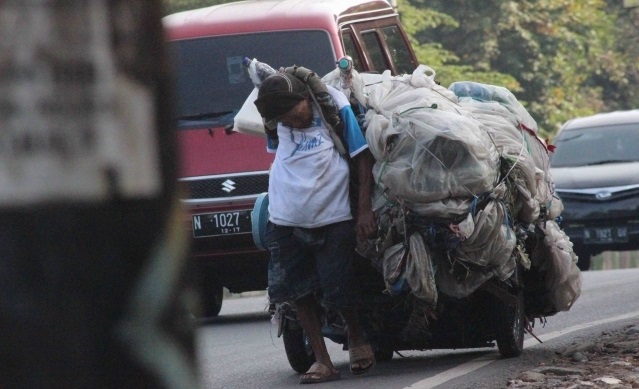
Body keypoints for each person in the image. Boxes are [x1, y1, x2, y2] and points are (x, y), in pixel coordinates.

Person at [254, 70, 377, 384]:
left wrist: (364, 210)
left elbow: (362, 156)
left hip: (333, 215)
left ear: (305, 98)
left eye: (294, 114)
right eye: (284, 119)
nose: (291, 122)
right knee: (297, 290)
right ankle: (323, 361)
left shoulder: (332, 105)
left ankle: (357, 335)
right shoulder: (277, 120)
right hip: (284, 217)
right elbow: (278, 155)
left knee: (339, 284)